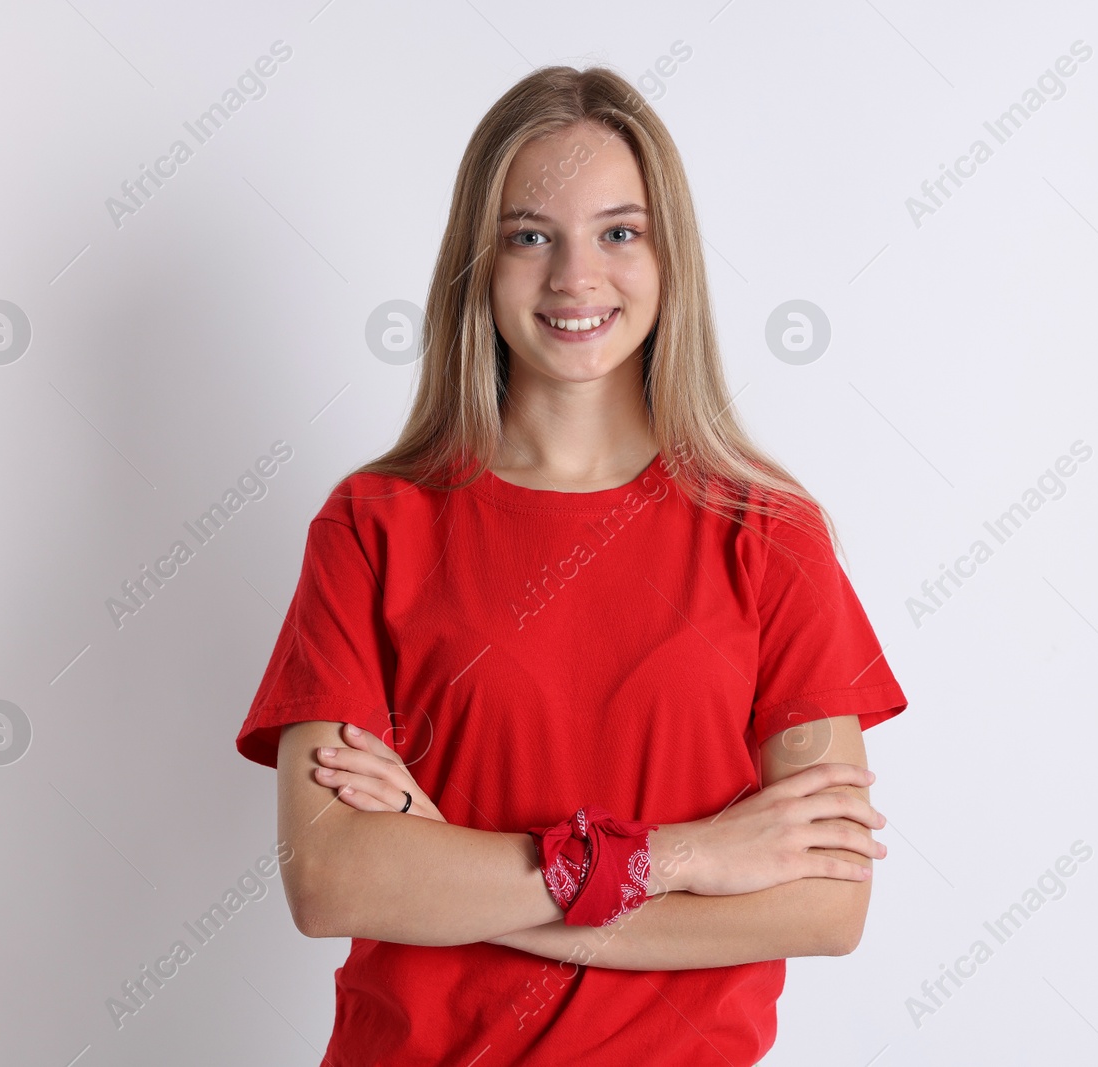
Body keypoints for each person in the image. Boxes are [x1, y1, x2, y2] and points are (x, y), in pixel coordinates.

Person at [234, 63, 909, 1067]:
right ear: (479, 259)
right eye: (529, 234)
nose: (574, 277)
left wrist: (454, 876)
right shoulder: (372, 526)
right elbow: (332, 878)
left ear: (668, 254)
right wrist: (695, 855)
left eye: (618, 232)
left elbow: (823, 900)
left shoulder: (769, 533)